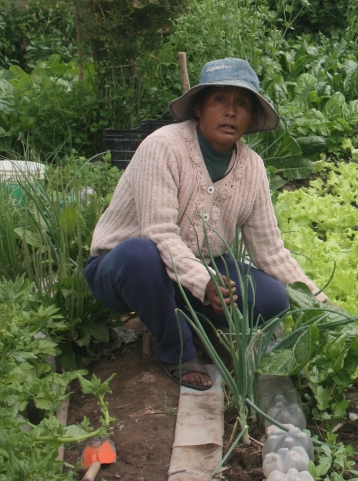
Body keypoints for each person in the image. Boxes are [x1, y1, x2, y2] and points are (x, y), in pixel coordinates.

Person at [84, 58, 326, 390]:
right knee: (140, 254)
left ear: (251, 117)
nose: (231, 112)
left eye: (242, 104)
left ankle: (172, 309)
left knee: (273, 300)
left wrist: (318, 302)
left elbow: (271, 252)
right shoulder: (164, 147)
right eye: (220, 100)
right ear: (199, 108)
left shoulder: (252, 167)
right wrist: (203, 282)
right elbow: (159, 233)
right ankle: (176, 350)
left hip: (199, 267)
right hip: (125, 269)